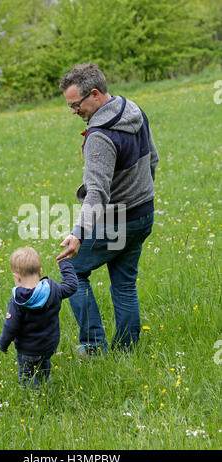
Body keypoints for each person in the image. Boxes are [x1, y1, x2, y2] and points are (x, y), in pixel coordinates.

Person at [57, 63, 159, 355]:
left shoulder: (99, 136)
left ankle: (93, 345)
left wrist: (77, 235)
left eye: (76, 105)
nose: (74, 112)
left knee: (73, 270)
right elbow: (153, 159)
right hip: (143, 214)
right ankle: (127, 350)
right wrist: (141, 196)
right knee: (124, 283)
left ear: (94, 94)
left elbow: (97, 194)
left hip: (118, 221)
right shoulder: (133, 110)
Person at [0, 247, 78, 387]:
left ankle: (32, 396)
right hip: (49, 346)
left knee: (27, 373)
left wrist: (3, 344)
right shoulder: (54, 290)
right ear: (40, 271)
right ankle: (44, 384)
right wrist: (65, 263)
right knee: (43, 364)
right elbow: (72, 285)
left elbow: (10, 327)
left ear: (17, 276)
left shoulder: (17, 302)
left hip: (27, 350)